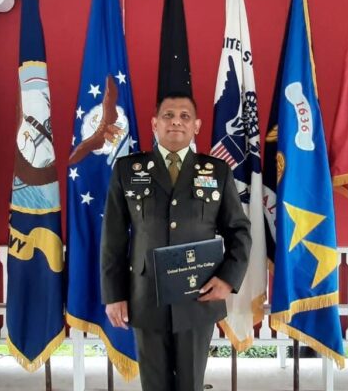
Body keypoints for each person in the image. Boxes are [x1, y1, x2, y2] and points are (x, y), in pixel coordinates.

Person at [100, 93, 251, 391]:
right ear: (154, 124)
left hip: (198, 295)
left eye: (184, 116)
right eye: (168, 115)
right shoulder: (128, 170)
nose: (176, 122)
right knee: (154, 385)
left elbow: (239, 231)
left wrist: (228, 279)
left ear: (196, 126)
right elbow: (113, 238)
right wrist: (113, 294)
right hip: (146, 296)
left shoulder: (217, 171)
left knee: (190, 384)